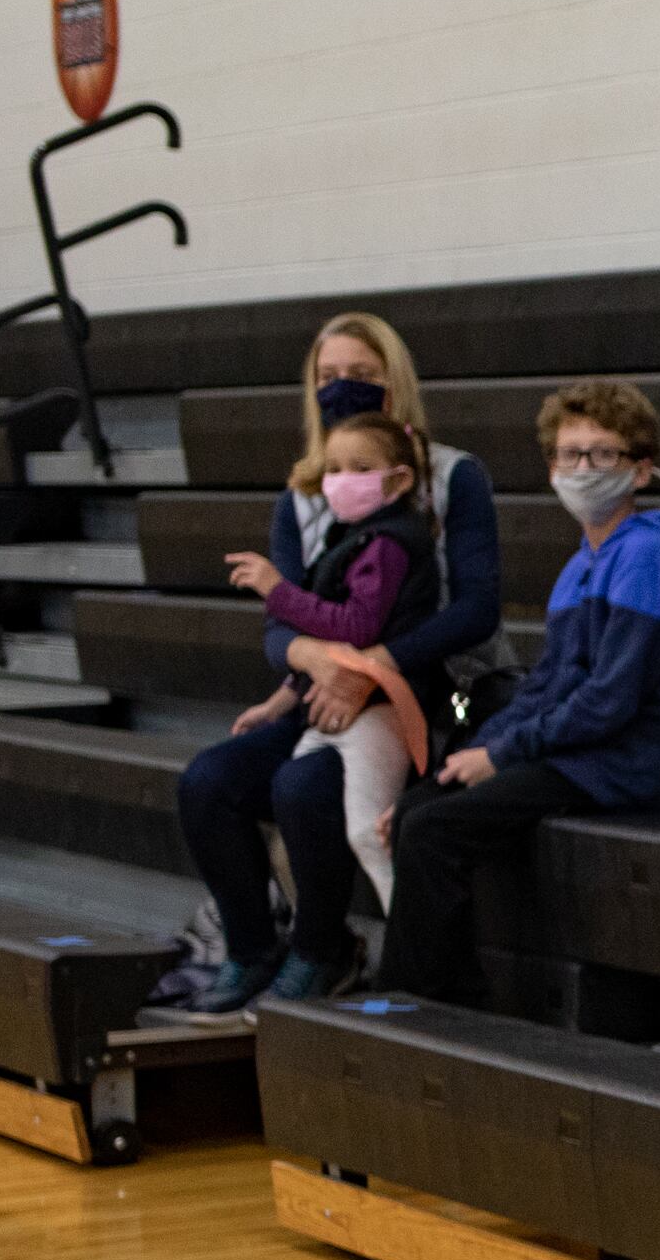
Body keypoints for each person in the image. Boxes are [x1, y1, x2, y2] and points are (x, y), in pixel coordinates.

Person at [169, 313, 500, 1014]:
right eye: (328, 377)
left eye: (361, 376)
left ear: (394, 382)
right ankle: (253, 944)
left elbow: (477, 610)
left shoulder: (454, 476)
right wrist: (313, 663)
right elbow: (278, 625)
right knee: (208, 782)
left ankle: (323, 950)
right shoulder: (302, 492)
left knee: (302, 787)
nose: (342, 388)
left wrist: (373, 664)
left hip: (444, 692)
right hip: (328, 690)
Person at [377, 381, 660, 1001]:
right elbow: (544, 687)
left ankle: (421, 1004)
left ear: (641, 471)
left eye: (602, 454)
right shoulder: (580, 565)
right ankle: (453, 996)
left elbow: (609, 702)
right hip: (579, 752)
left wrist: (502, 756)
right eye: (570, 455)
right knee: (417, 810)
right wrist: (470, 760)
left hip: (626, 760)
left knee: (435, 831)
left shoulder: (650, 556)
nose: (583, 468)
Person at [219, 408, 439, 937]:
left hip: (381, 708)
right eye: (334, 467)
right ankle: (312, 943)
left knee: (369, 833)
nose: (341, 480)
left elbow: (356, 627)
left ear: (400, 478)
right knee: (287, 810)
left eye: (359, 467)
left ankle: (417, 946)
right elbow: (326, 650)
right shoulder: (351, 537)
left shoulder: (389, 544)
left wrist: (279, 591)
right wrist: (281, 702)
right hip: (334, 710)